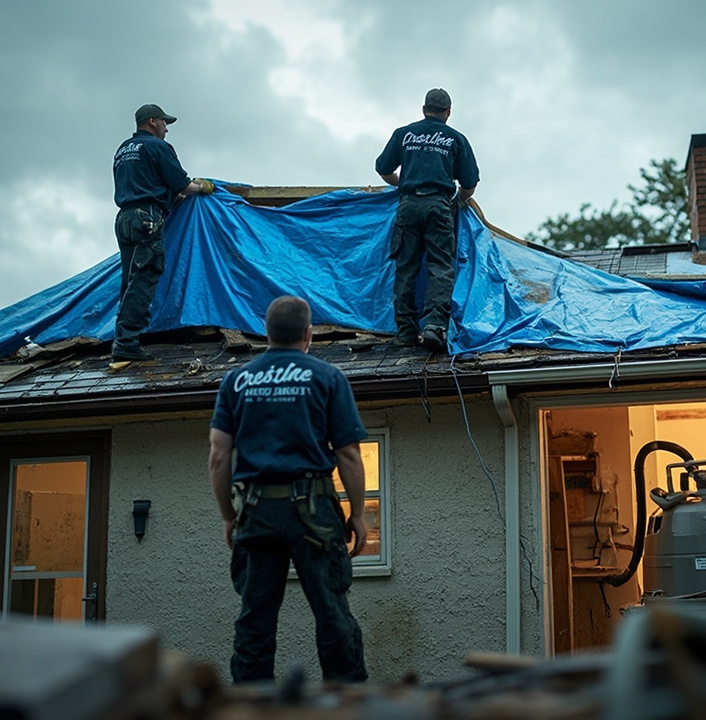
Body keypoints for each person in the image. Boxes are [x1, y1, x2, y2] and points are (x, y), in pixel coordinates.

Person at [209, 295, 369, 683]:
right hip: (314, 512)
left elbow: (218, 455)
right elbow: (348, 453)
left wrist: (229, 516)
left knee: (255, 621)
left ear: (266, 333)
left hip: (257, 512)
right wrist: (359, 515)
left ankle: (250, 706)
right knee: (332, 613)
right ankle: (347, 704)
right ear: (308, 335)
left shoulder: (237, 380)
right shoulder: (328, 377)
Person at [375, 88, 480, 352]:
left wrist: (403, 186)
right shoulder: (456, 139)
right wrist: (455, 201)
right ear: (448, 112)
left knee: (406, 267)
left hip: (408, 206)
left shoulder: (404, 134)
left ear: (423, 110)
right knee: (440, 267)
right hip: (439, 207)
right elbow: (469, 185)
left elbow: (383, 168)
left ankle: (406, 331)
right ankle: (434, 327)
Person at [111, 103, 215, 362]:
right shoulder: (158, 147)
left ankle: (123, 339)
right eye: (165, 123)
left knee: (130, 281)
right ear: (152, 121)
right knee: (144, 279)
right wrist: (202, 186)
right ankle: (126, 344)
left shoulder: (122, 150)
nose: (167, 129)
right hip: (147, 217)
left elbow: (146, 182)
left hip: (125, 218)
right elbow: (183, 184)